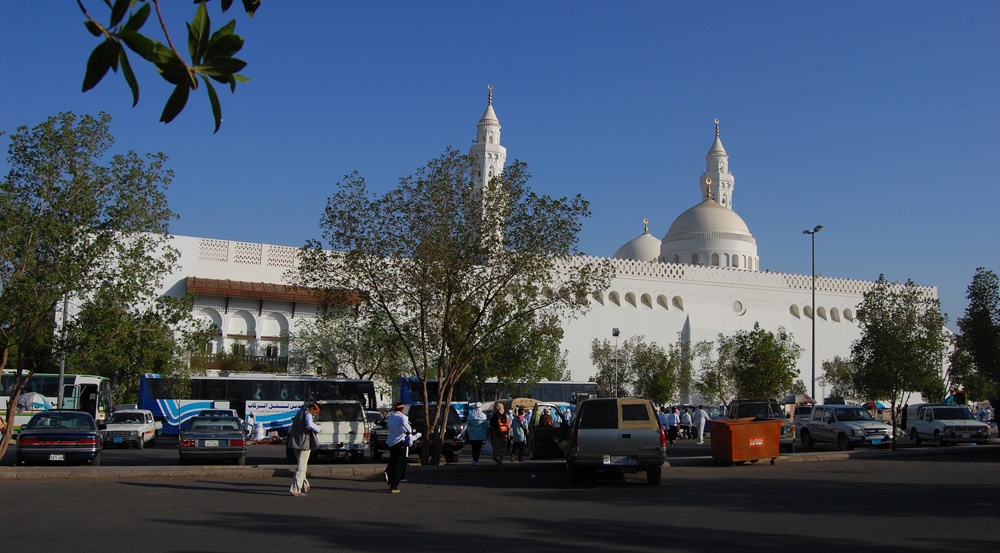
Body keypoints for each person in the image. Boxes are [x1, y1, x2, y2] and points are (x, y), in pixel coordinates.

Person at [287, 402, 321, 497]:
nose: (316, 414)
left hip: (295, 443)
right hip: (304, 444)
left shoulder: (299, 413)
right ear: (311, 409)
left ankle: (305, 485)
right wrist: (318, 429)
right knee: (301, 468)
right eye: (316, 411)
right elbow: (310, 424)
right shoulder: (308, 415)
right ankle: (295, 489)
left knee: (301, 465)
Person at [385, 403, 412, 494]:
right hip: (400, 442)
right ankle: (394, 486)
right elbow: (407, 427)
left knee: (393, 462)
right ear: (401, 409)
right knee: (399, 465)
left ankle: (389, 475)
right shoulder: (402, 417)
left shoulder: (391, 418)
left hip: (391, 443)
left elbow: (389, 427)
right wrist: (409, 431)